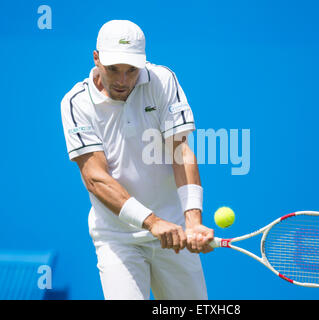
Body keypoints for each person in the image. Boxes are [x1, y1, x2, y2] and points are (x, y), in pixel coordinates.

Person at [60, 19, 214, 300]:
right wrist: (152, 222)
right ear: (96, 59)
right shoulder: (75, 103)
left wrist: (192, 220)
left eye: (131, 70)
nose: (122, 80)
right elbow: (95, 179)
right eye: (113, 69)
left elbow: (180, 151)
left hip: (173, 232)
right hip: (118, 239)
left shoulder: (163, 80)